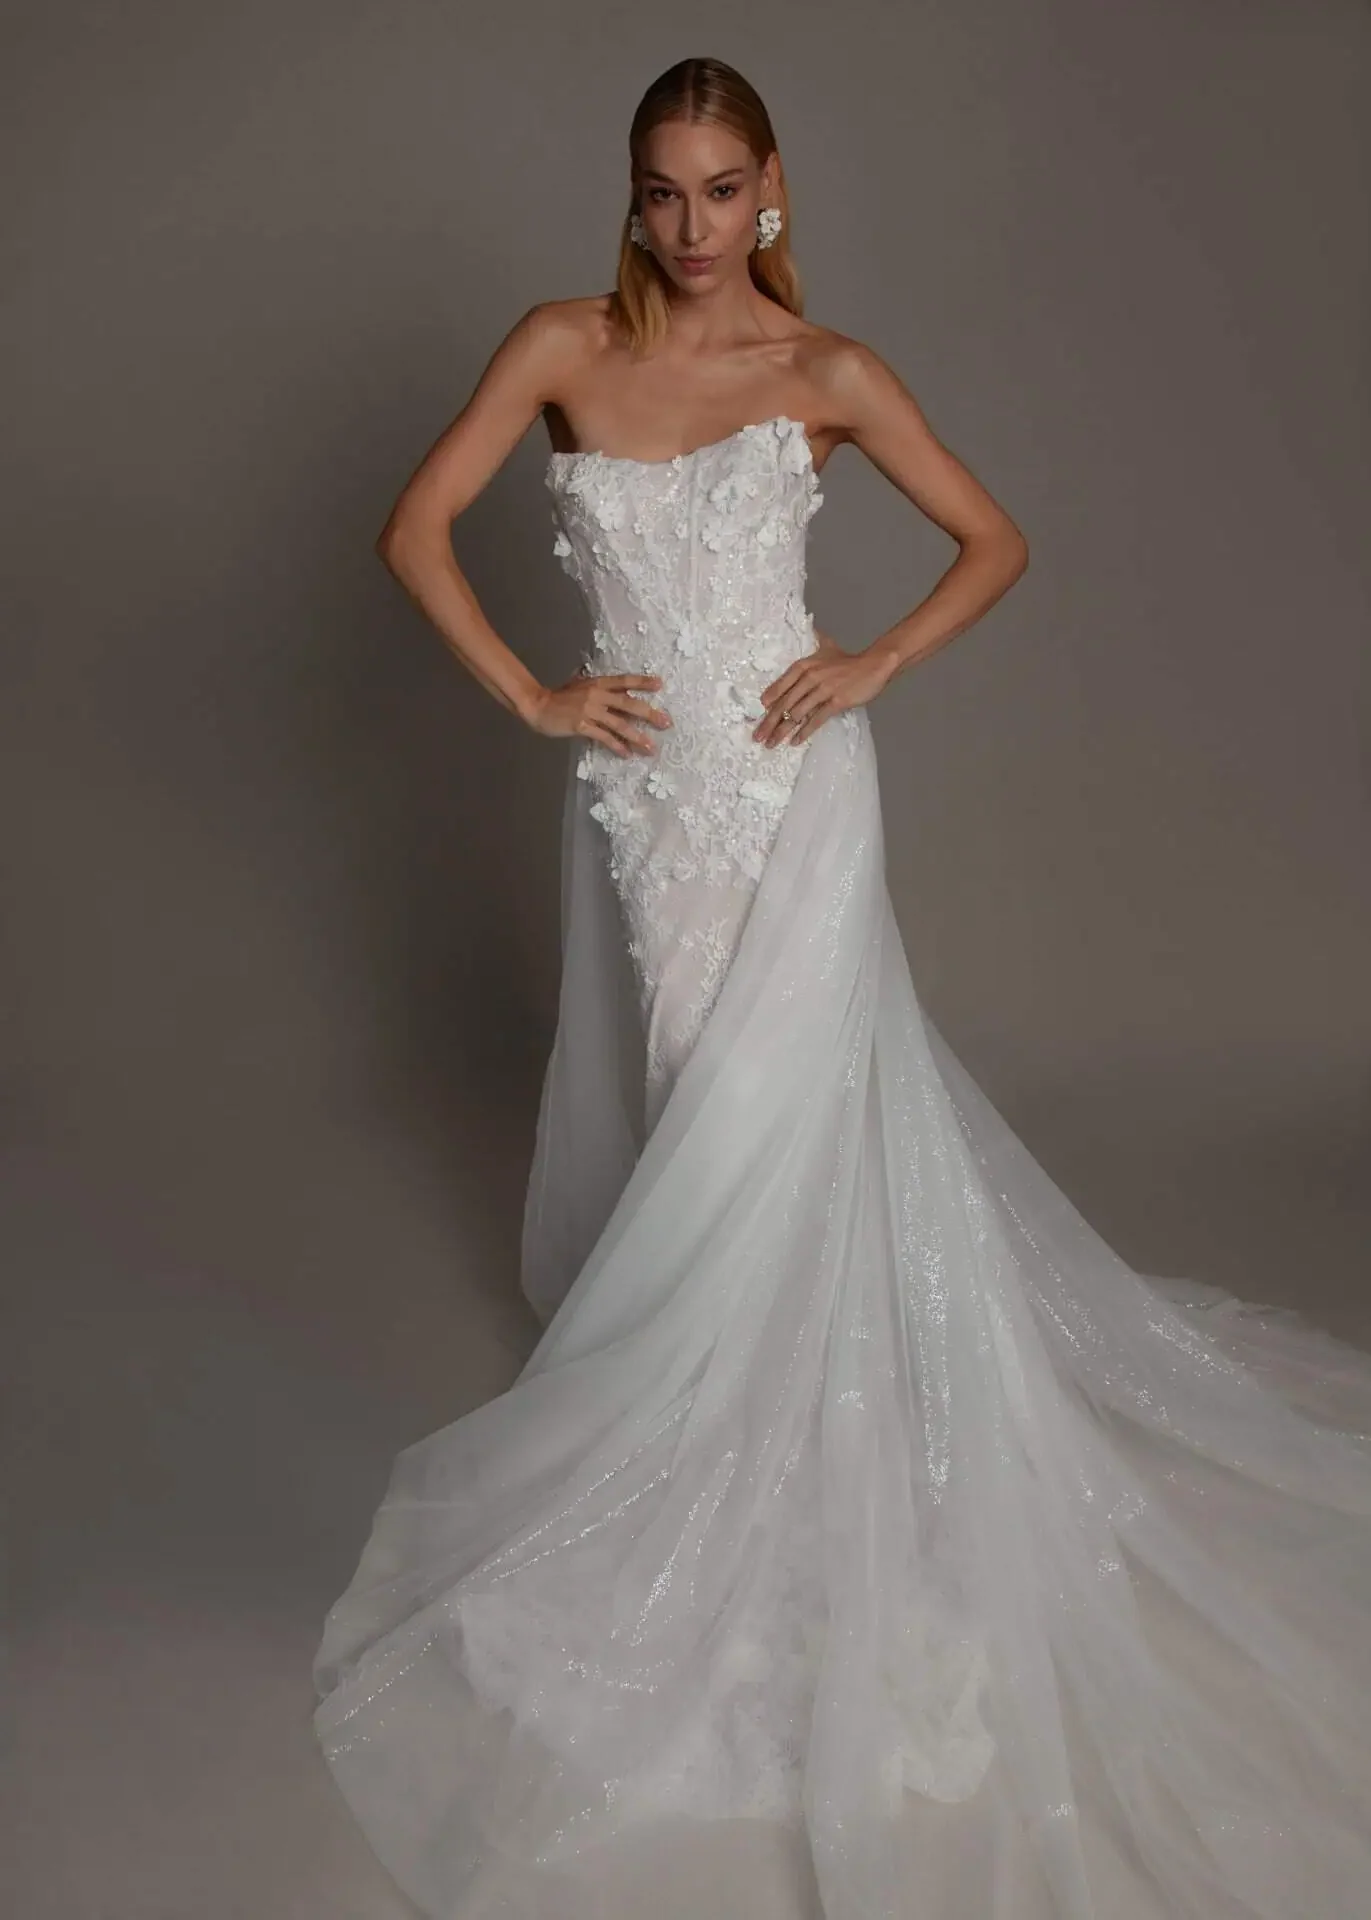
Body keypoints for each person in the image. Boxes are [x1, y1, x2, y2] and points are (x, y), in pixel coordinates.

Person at [312, 55, 1371, 1920]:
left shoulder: (828, 379)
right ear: (629, 197)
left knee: (774, 1124)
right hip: (649, 809)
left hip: (798, 800)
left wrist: (866, 662)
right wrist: (540, 698)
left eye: (723, 190)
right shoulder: (558, 343)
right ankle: (719, 1430)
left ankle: (789, 1463)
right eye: (661, 190)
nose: (691, 225)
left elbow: (997, 540)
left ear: (772, 194)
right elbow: (414, 529)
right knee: (702, 1102)